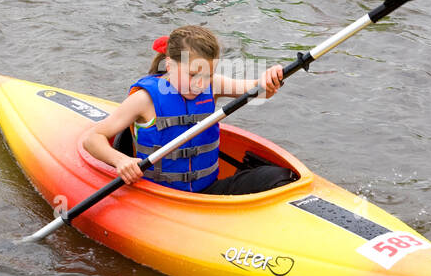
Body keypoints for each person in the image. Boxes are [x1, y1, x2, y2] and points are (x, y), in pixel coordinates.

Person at [83, 25, 296, 194]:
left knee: (281, 176)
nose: (200, 84)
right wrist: (121, 160)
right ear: (169, 65)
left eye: (208, 76)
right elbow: (93, 138)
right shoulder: (144, 99)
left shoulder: (213, 86)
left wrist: (273, 77)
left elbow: (259, 90)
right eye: (193, 75)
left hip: (209, 191)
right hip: (158, 194)